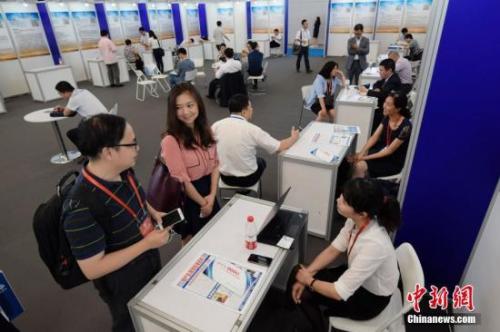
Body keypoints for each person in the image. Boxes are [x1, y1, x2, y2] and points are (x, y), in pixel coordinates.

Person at [62, 114, 172, 332]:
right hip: (121, 279)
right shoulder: (80, 207)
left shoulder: (123, 169)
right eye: (132, 143)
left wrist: (151, 211)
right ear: (108, 152)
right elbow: (92, 268)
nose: (138, 148)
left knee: (151, 308)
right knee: (129, 321)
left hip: (146, 255)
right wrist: (147, 244)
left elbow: (135, 196)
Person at [291, 178, 401, 331]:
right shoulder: (357, 220)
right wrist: (307, 274)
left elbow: (338, 292)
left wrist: (308, 280)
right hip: (359, 281)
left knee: (305, 292)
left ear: (362, 213)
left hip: (369, 300)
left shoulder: (375, 244)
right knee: (298, 272)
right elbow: (333, 250)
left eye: (344, 201)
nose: (338, 200)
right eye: (342, 195)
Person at [161, 83, 220, 244]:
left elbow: (215, 165)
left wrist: (212, 196)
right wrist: (203, 203)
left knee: (214, 235)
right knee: (191, 242)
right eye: (179, 107)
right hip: (188, 197)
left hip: (209, 191)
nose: (185, 112)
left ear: (198, 105)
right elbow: (182, 180)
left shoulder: (207, 130)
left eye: (189, 105)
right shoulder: (170, 140)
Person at [212, 94, 300, 188]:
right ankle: (245, 191)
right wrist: (294, 138)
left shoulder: (216, 125)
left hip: (226, 178)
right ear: (244, 112)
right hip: (248, 179)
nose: (252, 109)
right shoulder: (253, 130)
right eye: (250, 107)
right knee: (261, 161)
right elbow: (279, 146)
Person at [349, 92, 412, 178]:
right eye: (385, 102)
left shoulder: (406, 126)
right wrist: (361, 153)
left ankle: (356, 189)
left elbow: (389, 151)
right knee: (352, 157)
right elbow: (374, 137)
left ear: (398, 109)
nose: (384, 106)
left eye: (388, 104)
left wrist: (364, 158)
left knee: (359, 165)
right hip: (380, 151)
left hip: (391, 161)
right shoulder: (387, 117)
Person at [53, 81, 107, 147]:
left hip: (97, 124)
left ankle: (88, 153)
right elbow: (73, 108)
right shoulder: (83, 91)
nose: (61, 96)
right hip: (107, 118)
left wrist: (53, 113)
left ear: (65, 92)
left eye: (60, 94)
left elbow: (66, 113)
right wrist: (64, 108)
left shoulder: (74, 98)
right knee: (82, 124)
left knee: (71, 133)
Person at [359, 58, 401, 130]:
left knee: (368, 115)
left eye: (381, 70)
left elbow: (383, 94)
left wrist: (367, 91)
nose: (379, 72)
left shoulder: (394, 80)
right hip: (382, 105)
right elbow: (376, 84)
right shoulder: (387, 77)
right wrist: (375, 89)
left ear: (389, 70)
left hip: (386, 110)